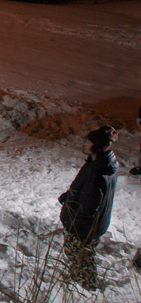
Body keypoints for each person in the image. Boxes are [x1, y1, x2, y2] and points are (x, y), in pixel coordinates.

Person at [58, 125, 118, 291]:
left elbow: (90, 204)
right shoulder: (99, 163)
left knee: (80, 257)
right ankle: (80, 284)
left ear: (97, 146)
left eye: (88, 142)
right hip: (88, 223)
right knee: (77, 255)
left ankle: (86, 290)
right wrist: (69, 197)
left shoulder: (98, 172)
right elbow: (85, 190)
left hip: (84, 226)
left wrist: (73, 222)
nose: (84, 144)